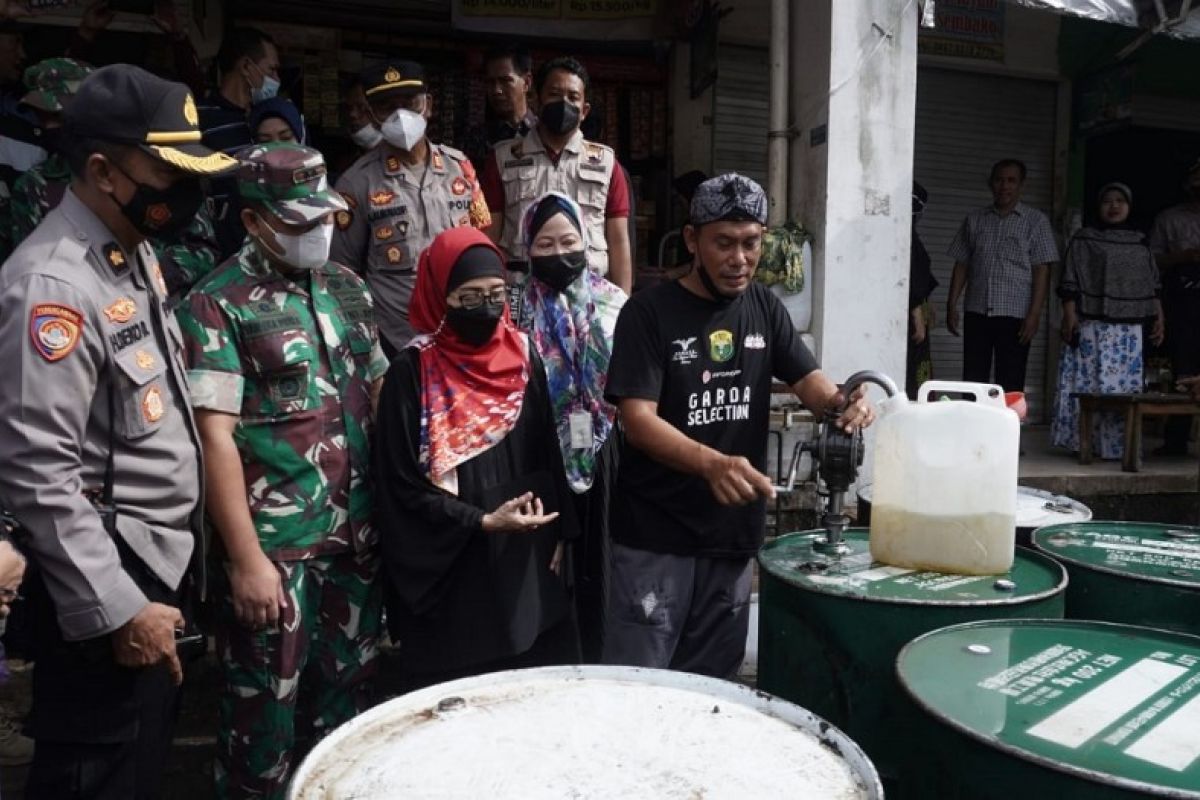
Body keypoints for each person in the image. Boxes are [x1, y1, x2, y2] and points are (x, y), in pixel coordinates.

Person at [0, 63, 235, 799]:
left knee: (136, 768)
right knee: (93, 774)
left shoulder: (130, 251)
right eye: (168, 172)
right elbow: (40, 473)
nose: (185, 191)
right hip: (105, 581)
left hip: (149, 565)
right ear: (103, 170)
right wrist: (118, 609)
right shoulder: (54, 286)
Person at [599, 174, 873, 678]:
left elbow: (809, 382)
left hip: (731, 535)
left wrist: (844, 403)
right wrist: (711, 463)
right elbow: (637, 421)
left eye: (751, 243)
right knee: (638, 682)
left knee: (713, 686)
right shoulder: (648, 313)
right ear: (692, 241)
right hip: (656, 535)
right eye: (723, 243)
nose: (739, 258)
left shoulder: (764, 307)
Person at [177, 142, 385, 799]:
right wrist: (244, 560)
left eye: (323, 218)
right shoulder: (217, 304)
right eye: (298, 223)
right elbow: (215, 439)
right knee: (261, 728)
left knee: (346, 722)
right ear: (253, 221)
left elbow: (382, 396)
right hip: (278, 555)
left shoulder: (347, 289)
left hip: (356, 546)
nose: (317, 233)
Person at [373, 226, 580, 690]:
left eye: (494, 294)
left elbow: (549, 446)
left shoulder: (525, 355)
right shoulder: (414, 371)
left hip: (524, 553)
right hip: (451, 557)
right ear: (438, 296)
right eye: (468, 297)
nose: (485, 308)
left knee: (527, 690)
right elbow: (398, 481)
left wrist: (563, 529)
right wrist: (480, 521)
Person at [512, 191, 625, 661]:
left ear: (586, 241)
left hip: (608, 450)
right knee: (551, 570)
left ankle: (605, 662)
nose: (559, 254)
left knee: (604, 563)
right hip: (541, 452)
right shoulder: (514, 309)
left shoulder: (616, 303)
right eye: (545, 245)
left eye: (568, 241)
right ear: (526, 250)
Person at [10, 57, 220, 302]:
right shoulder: (46, 277)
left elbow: (203, 247)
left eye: (60, 116)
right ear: (101, 173)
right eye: (43, 118)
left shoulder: (145, 250)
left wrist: (148, 278)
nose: (51, 126)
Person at [332, 60, 491, 356]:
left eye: (410, 103)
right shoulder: (356, 183)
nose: (401, 116)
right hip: (394, 338)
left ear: (428, 105)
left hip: (460, 329)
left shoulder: (460, 168)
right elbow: (343, 275)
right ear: (370, 115)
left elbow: (482, 245)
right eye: (387, 107)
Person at [482, 56, 633, 294]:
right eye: (554, 94)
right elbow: (488, 239)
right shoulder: (503, 159)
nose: (563, 103)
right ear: (537, 99)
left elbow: (619, 242)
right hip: (522, 293)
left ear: (584, 111)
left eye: (573, 97)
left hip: (588, 294)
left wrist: (623, 306)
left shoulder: (606, 164)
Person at [1050, 183, 1164, 459]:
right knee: (1089, 386)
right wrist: (1069, 315)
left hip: (1128, 334)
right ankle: (1084, 444)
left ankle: (1116, 449)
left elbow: (1153, 285)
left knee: (1122, 390)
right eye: (1107, 201)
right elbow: (1069, 281)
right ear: (1098, 206)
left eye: (1120, 201)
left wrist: (1159, 316)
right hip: (1091, 326)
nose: (1114, 206)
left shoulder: (1140, 241)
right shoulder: (1084, 239)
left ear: (1129, 205)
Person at [946, 158, 1058, 392]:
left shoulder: (1036, 222)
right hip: (977, 311)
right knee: (974, 379)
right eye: (999, 180)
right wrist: (951, 304)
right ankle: (974, 427)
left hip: (1015, 315)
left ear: (1021, 185)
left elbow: (1041, 269)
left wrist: (1034, 314)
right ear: (990, 183)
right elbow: (962, 264)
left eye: (1011, 180)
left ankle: (1010, 427)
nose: (1004, 186)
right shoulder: (974, 220)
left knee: (1011, 380)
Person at [198, 27, 280, 259]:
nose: (276, 80)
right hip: (219, 258)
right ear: (246, 67)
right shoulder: (200, 119)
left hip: (271, 253)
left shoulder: (271, 121)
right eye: (271, 70)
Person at [1149, 158, 1200, 455]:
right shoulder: (1169, 219)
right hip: (1182, 298)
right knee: (1184, 367)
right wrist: (1182, 256)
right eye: (1196, 179)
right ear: (1186, 184)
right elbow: (1152, 258)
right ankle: (1176, 441)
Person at [462, 43, 536, 172]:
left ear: (527, 82)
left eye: (505, 81)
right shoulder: (476, 139)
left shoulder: (543, 133)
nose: (497, 90)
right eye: (490, 82)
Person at [907, 181, 938, 398]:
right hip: (911, 314)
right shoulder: (906, 239)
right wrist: (917, 310)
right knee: (914, 371)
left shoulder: (912, 236)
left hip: (919, 307)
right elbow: (913, 273)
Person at [344, 79, 381, 152]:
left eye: (362, 107)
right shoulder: (349, 161)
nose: (352, 114)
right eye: (349, 108)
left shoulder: (404, 157)